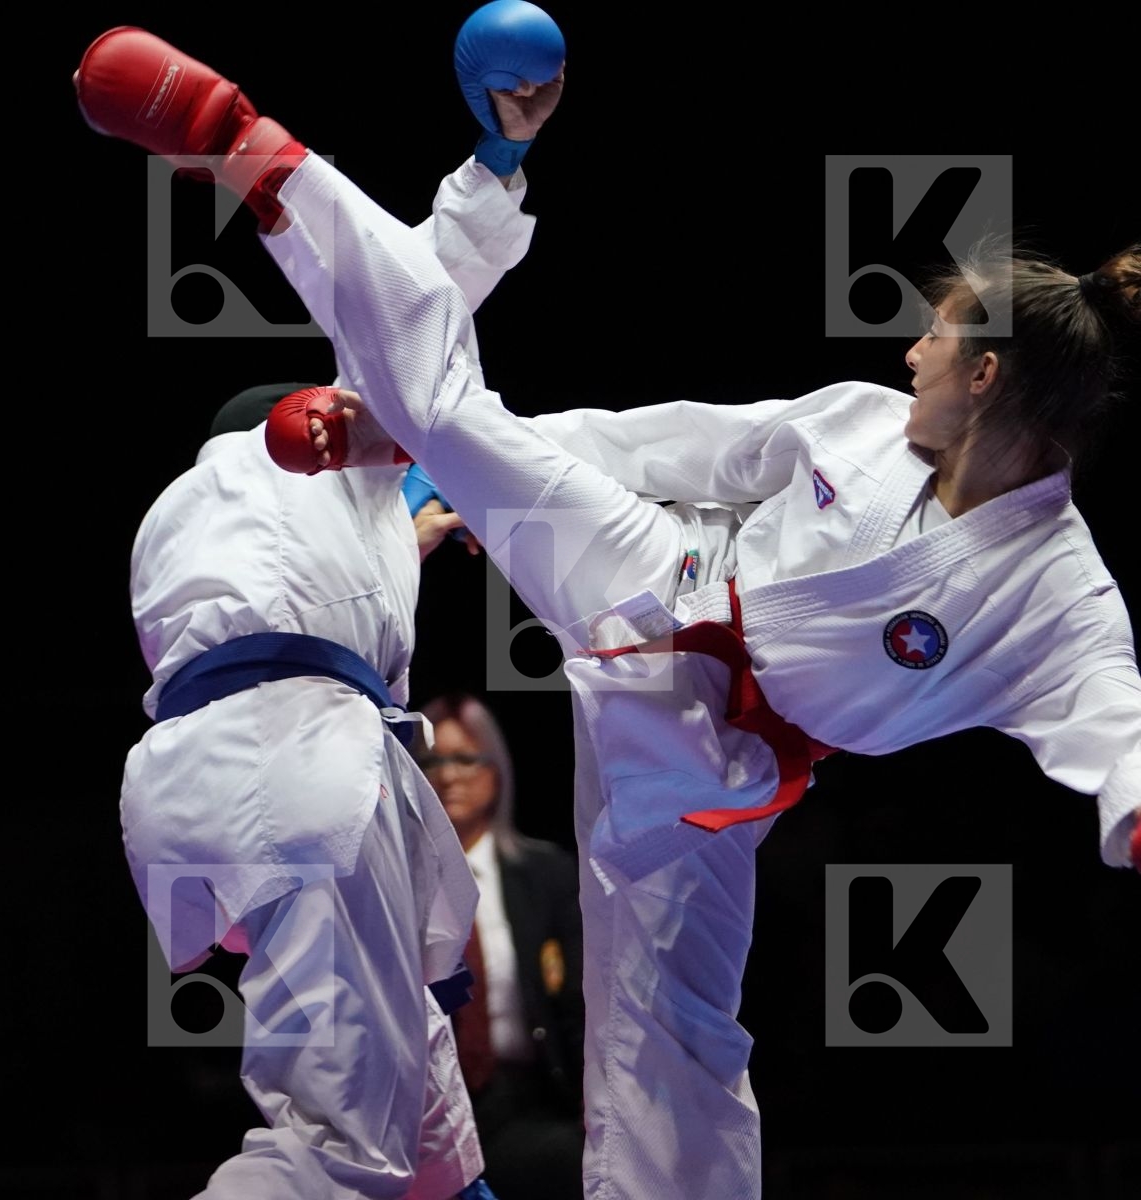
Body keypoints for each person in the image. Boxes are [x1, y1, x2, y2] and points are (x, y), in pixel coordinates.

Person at [73, 22, 1141, 1200]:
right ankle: (251, 148)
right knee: (450, 406)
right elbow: (680, 444)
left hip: (717, 767)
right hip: (657, 570)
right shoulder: (862, 424)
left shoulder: (1061, 591)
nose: (910, 353)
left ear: (986, 374)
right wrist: (424, 449)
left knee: (675, 1036)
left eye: (934, 335)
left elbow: (1120, 732)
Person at [109, 23, 561, 1196]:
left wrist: (408, 522)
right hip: (297, 766)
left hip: (193, 788)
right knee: (334, 1149)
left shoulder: (177, 526)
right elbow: (415, 306)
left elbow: (311, 589)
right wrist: (498, 160)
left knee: (426, 1130)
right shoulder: (311, 452)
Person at [419, 692, 585, 1200]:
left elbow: (580, 1004)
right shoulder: (396, 883)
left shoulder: (547, 875)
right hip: (429, 1111)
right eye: (432, 762)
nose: (449, 776)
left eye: (465, 758)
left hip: (529, 1102)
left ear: (496, 772)